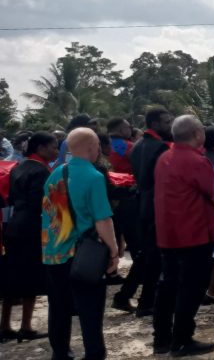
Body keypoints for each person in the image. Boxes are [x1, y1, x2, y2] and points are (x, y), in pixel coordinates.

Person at [42, 128, 119, 360]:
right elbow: (103, 220)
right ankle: (94, 353)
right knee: (90, 308)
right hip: (82, 254)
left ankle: (60, 352)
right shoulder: (94, 176)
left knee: (58, 306)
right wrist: (114, 251)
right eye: (97, 146)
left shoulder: (55, 174)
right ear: (92, 147)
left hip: (54, 252)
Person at [152, 115, 214, 356]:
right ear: (197, 134)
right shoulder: (196, 161)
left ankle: (161, 339)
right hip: (193, 234)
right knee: (191, 289)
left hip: (168, 234)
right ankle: (182, 338)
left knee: (167, 285)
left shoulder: (164, 158)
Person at [115, 106, 172, 315]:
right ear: (155, 124)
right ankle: (146, 301)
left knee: (146, 255)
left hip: (142, 204)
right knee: (153, 257)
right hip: (156, 205)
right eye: (166, 122)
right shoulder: (160, 147)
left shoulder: (138, 145)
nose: (170, 126)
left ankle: (127, 296)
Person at [1, 132, 57, 342]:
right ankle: (25, 325)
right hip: (32, 226)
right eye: (53, 147)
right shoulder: (42, 171)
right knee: (31, 277)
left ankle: (5, 325)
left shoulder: (19, 167)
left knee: (11, 276)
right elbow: (42, 204)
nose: (56, 151)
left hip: (15, 225)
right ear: (40, 148)